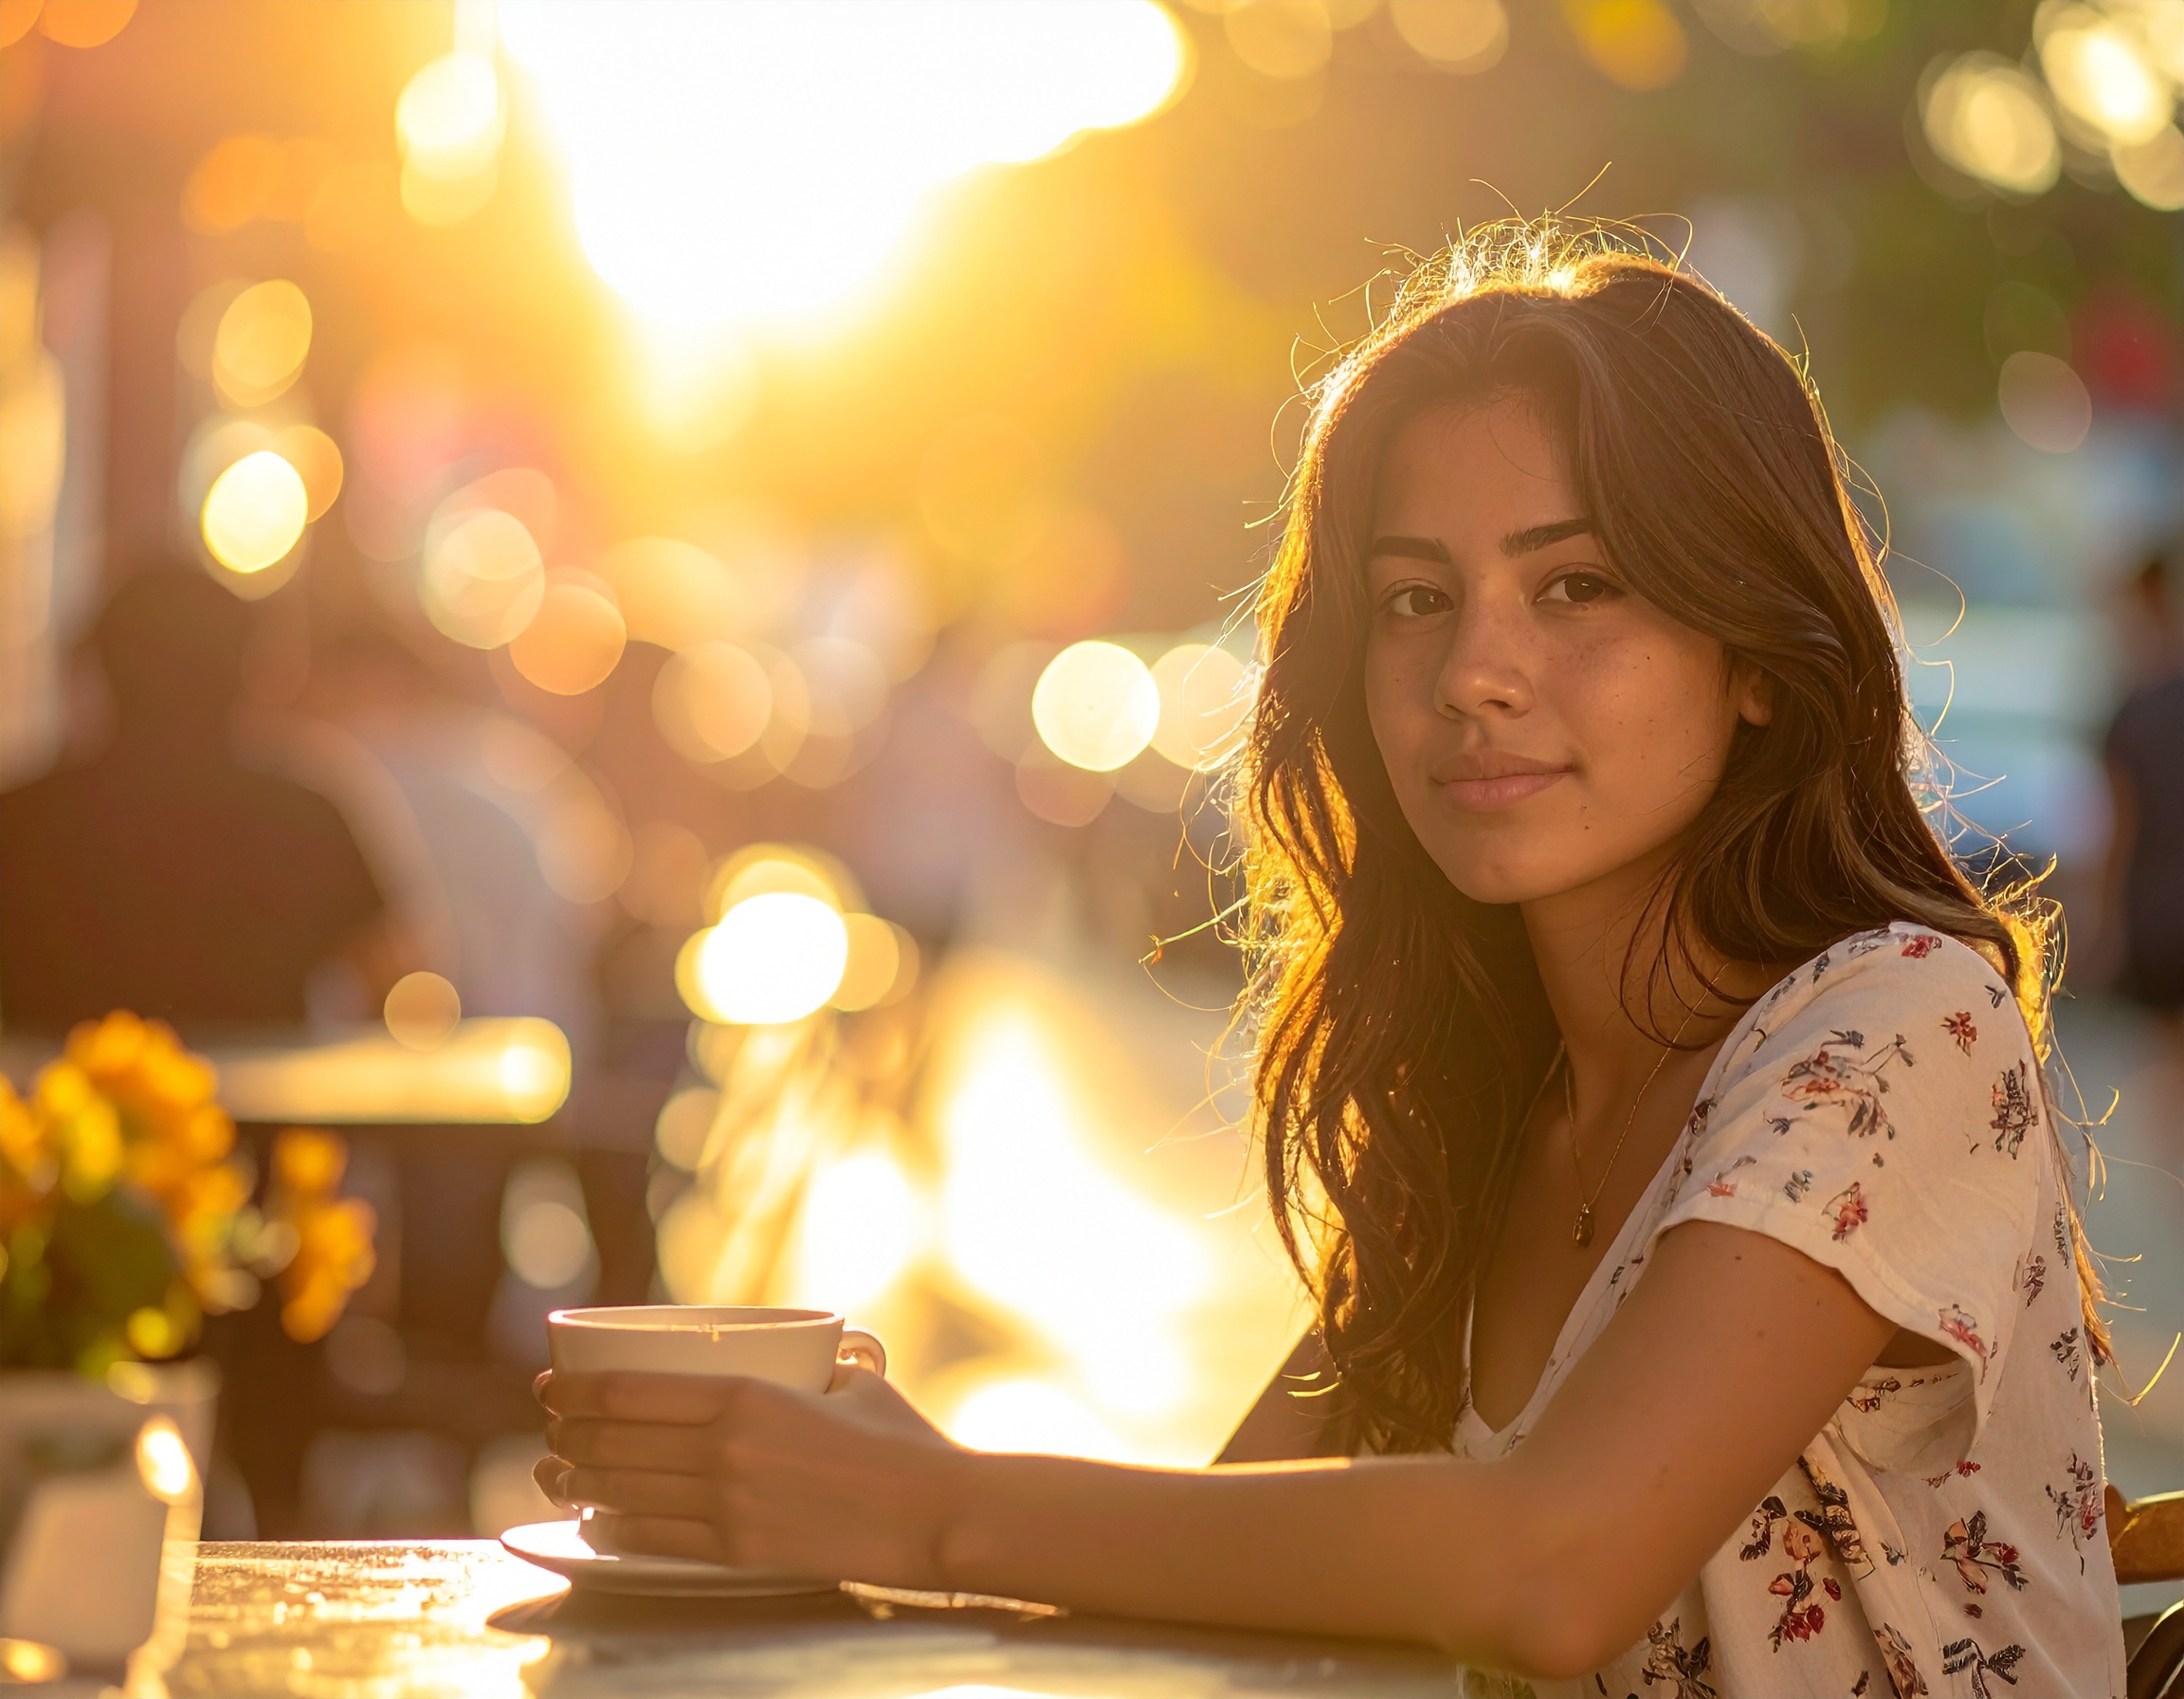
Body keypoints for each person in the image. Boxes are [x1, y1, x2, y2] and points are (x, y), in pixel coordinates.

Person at [533, 228, 2124, 1697]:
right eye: (1414, 600)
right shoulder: (1493, 1107)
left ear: (1758, 654)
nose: (1473, 671)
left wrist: (923, 1505)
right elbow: (1227, 1559)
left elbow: (1550, 1567)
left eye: (1575, 585)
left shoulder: (1898, 1020)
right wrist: (832, 1474)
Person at [0, 568, 393, 1031]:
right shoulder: (303, 817)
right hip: (252, 1080)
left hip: (54, 1079)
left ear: (102, 666)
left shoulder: (21, 821)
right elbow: (394, 982)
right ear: (245, 669)